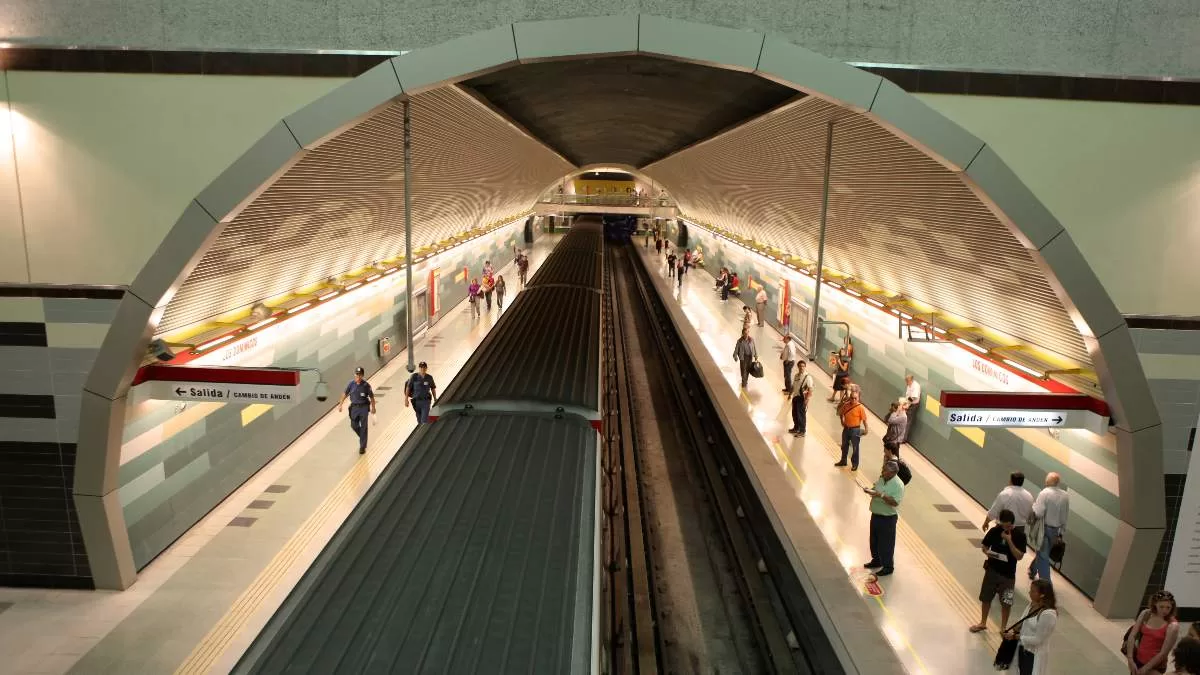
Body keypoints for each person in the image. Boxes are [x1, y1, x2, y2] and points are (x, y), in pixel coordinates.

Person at [972, 509, 1027, 633]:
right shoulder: (994, 531)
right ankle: (983, 622)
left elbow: (1019, 556)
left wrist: (1008, 540)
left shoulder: (1019, 536)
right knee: (986, 598)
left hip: (1009, 575)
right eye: (1002, 524)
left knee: (1006, 602)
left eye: (1007, 525)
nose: (1004, 527)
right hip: (992, 570)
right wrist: (988, 553)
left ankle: (1003, 627)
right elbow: (984, 547)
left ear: (1012, 524)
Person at [1002, 579, 1058, 675]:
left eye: (1033, 591)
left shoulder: (1048, 614)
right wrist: (1011, 632)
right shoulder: (1032, 604)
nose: (1029, 592)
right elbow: (1022, 622)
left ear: (1042, 595)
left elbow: (1038, 640)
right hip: (1023, 649)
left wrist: (1016, 637)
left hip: (1034, 655)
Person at [864, 460, 904, 577]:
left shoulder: (898, 485)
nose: (883, 471)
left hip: (888, 518)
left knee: (886, 543)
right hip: (876, 515)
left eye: (885, 470)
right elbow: (876, 488)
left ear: (892, 473)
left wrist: (881, 495)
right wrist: (870, 490)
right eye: (883, 469)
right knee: (874, 540)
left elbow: (895, 502)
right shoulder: (882, 479)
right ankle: (877, 560)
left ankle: (888, 567)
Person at [1127, 590, 1181, 674]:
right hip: (1138, 659)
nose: (1165, 610)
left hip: (1156, 666)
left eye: (1168, 607)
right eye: (1161, 607)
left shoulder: (1172, 626)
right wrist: (1130, 659)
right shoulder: (1146, 614)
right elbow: (1132, 635)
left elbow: (1163, 653)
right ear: (1155, 604)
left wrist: (1145, 668)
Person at [1029, 472, 1069, 582]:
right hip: (1056, 532)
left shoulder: (1044, 493)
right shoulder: (1065, 495)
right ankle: (1032, 569)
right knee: (1043, 554)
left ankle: (1046, 585)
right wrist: (1061, 532)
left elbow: (1038, 513)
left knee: (1043, 557)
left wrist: (1033, 505)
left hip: (1044, 529)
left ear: (1047, 481)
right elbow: (1065, 515)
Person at [336, 366, 376, 454]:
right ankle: (362, 437)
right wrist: (340, 404)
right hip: (354, 408)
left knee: (364, 427)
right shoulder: (351, 384)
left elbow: (372, 397)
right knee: (354, 425)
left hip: (364, 408)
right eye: (357, 374)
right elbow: (344, 393)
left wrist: (373, 408)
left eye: (360, 375)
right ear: (355, 374)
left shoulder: (366, 385)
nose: (358, 376)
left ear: (362, 375)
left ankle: (362, 446)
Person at [834, 389, 868, 470]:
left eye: (855, 398)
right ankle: (843, 460)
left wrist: (866, 429)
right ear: (850, 397)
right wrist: (842, 421)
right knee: (844, 445)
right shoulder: (846, 405)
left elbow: (864, 420)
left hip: (855, 430)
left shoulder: (860, 408)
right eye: (852, 398)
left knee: (855, 448)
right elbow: (840, 413)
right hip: (846, 429)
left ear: (858, 398)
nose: (853, 400)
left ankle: (855, 464)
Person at [788, 360, 813, 437]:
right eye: (800, 366)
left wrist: (807, 400)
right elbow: (793, 386)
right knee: (794, 414)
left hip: (802, 399)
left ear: (805, 367)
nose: (801, 368)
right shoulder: (796, 376)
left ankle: (802, 431)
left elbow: (810, 389)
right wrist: (790, 394)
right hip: (795, 397)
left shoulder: (807, 377)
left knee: (801, 415)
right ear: (798, 367)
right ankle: (796, 428)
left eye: (803, 366)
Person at [903, 374, 921, 442]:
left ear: (911, 380)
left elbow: (913, 397)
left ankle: (903, 438)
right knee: (904, 420)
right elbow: (908, 395)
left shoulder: (915, 386)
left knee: (907, 421)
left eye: (908, 381)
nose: (907, 383)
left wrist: (907, 404)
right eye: (906, 381)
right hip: (909, 403)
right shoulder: (909, 385)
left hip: (913, 406)